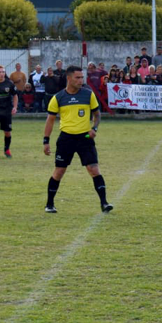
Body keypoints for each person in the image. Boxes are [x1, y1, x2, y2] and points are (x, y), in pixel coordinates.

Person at [42, 66, 112, 214]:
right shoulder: (58, 98)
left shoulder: (88, 95)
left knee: (93, 169)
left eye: (82, 77)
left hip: (85, 138)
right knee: (59, 171)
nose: (81, 80)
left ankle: (104, 203)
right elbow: (50, 121)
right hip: (66, 139)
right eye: (78, 78)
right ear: (69, 79)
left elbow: (97, 115)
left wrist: (94, 128)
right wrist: (46, 141)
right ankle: (49, 204)